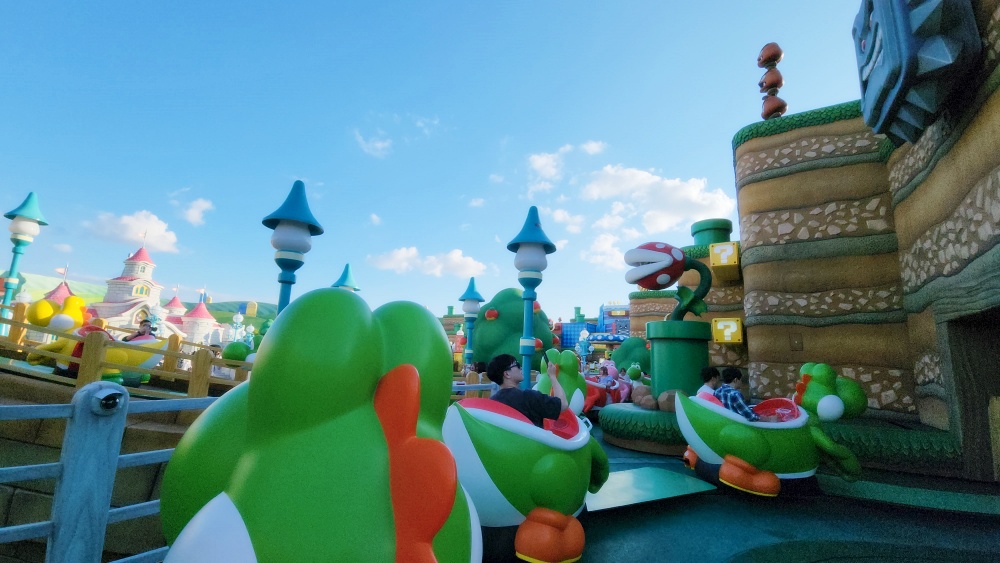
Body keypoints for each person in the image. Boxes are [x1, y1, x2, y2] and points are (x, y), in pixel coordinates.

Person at [486, 353, 568, 428]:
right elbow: (563, 404)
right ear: (507, 374)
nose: (520, 368)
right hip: (532, 443)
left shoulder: (492, 403)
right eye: (517, 365)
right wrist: (553, 376)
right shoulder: (529, 397)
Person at [714, 367, 778, 422]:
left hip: (725, 422)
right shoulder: (735, 394)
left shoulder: (717, 392)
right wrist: (769, 419)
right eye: (740, 380)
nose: (741, 382)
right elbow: (751, 417)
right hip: (738, 425)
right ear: (735, 380)